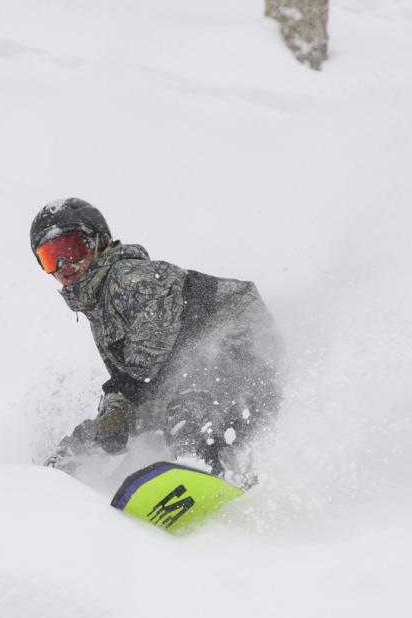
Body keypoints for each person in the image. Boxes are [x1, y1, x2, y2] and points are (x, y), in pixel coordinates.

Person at [32, 197, 281, 480]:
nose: (64, 265)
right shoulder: (98, 308)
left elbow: (152, 344)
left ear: (98, 241)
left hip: (237, 345)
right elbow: (133, 379)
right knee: (97, 433)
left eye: (71, 249)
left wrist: (120, 403)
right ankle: (52, 482)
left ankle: (215, 471)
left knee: (187, 409)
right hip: (179, 374)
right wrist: (112, 414)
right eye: (51, 257)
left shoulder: (130, 276)